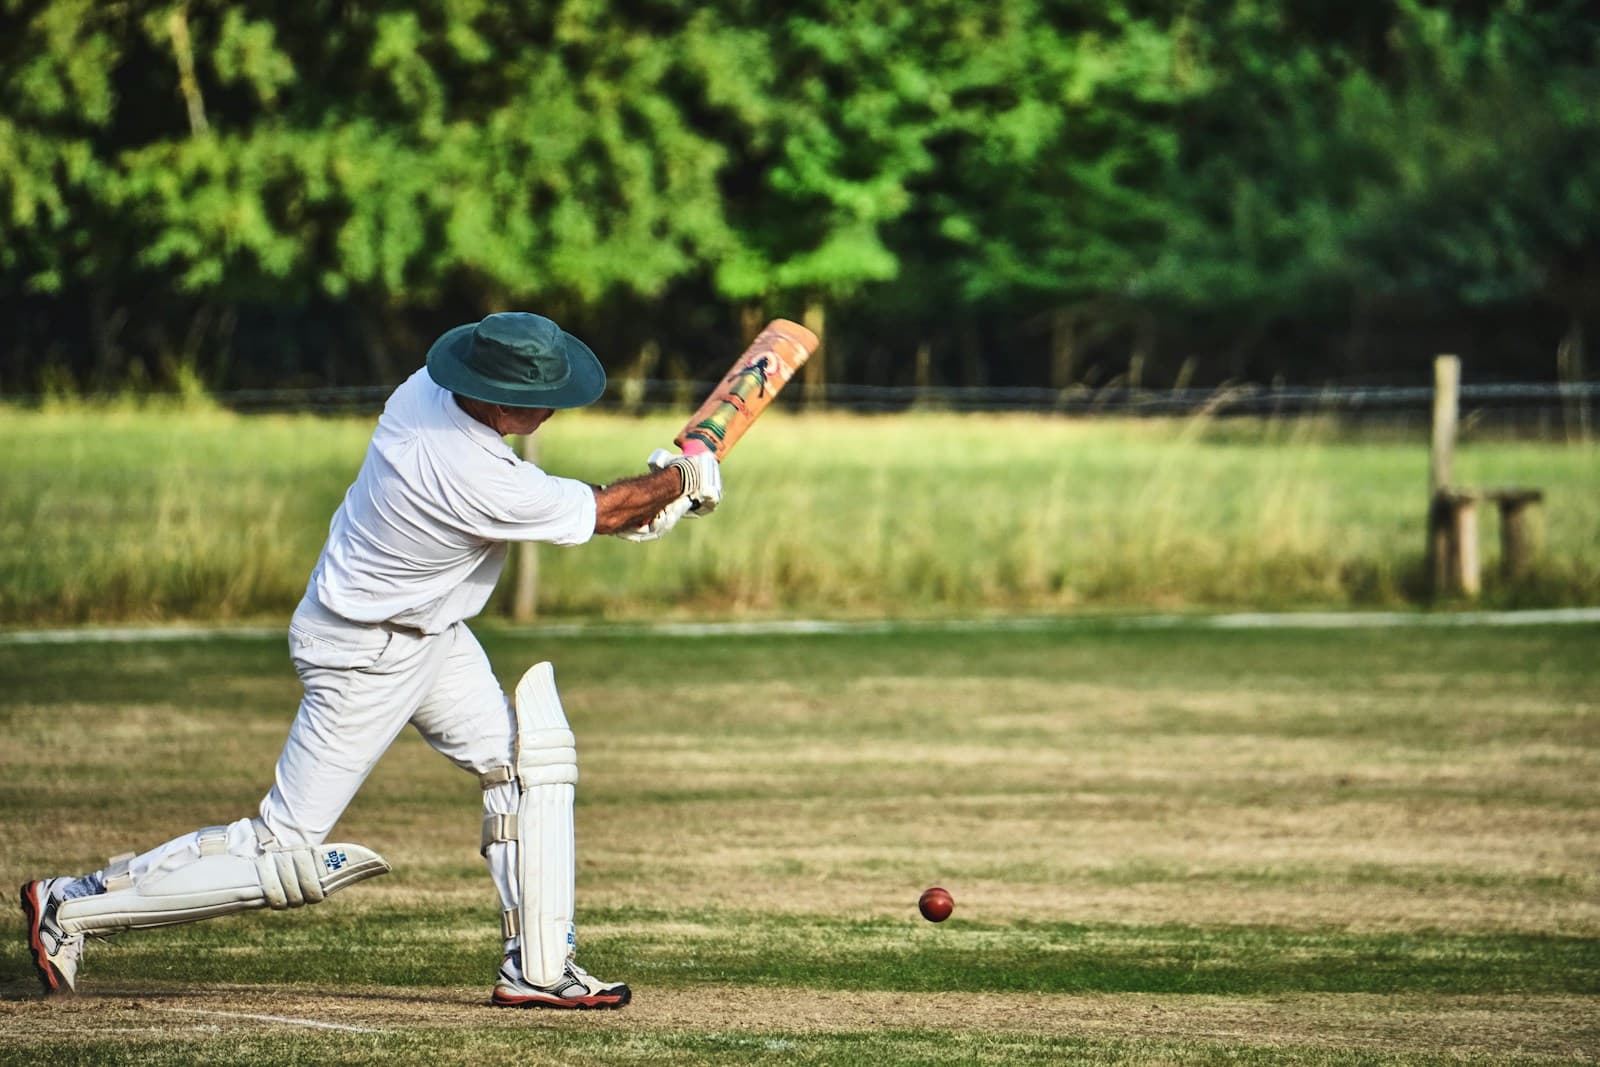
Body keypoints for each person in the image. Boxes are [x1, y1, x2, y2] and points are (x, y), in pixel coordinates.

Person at [20, 312, 720, 1010]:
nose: (553, 406)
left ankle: (539, 967)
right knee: (281, 849)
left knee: (527, 764)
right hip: (365, 653)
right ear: (501, 400)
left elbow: (600, 511)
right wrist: (677, 480)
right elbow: (596, 512)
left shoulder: (424, 389)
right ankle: (71, 903)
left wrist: (662, 495)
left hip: (429, 634)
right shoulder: (467, 471)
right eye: (542, 396)